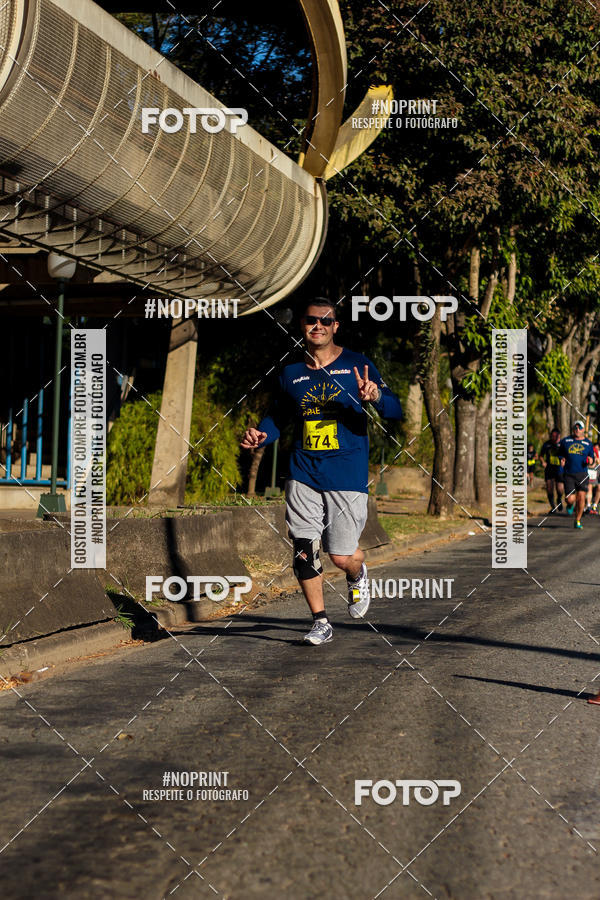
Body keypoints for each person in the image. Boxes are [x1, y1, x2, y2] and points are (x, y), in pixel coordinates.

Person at [240, 298, 403, 645]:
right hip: (303, 471)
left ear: (335, 327)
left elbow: (395, 409)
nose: (318, 326)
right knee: (303, 547)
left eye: (325, 321)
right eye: (311, 320)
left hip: (346, 474)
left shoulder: (357, 364)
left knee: (341, 556)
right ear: (302, 325)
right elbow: (278, 417)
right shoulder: (291, 374)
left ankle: (357, 574)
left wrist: (375, 396)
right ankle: (320, 621)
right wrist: (262, 434)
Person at [558, 420, 594, 529]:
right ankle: (570, 505)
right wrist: (561, 459)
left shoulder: (588, 443)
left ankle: (577, 520)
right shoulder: (566, 441)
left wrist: (590, 460)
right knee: (570, 499)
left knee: (581, 497)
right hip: (569, 474)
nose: (577, 430)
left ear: (583, 430)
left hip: (582, 474)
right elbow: (560, 454)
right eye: (575, 428)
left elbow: (592, 459)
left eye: (580, 428)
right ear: (573, 429)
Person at [539, 428, 565, 513]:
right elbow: (541, 456)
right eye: (553, 436)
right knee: (549, 489)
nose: (555, 437)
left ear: (559, 436)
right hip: (549, 469)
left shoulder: (563, 444)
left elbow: (567, 455)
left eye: (556, 436)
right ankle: (553, 507)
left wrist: (564, 461)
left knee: (560, 488)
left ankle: (559, 499)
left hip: (559, 469)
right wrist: (543, 462)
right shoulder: (547, 444)